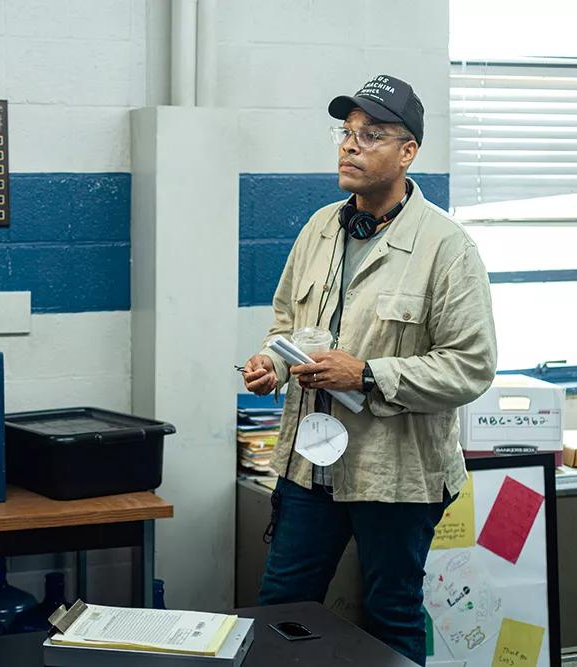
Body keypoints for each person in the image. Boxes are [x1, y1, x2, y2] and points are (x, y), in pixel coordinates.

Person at [241, 74, 498, 665]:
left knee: (391, 613)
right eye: (347, 132)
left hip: (398, 473)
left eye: (372, 134)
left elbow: (471, 367)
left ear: (408, 152)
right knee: (279, 608)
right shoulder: (320, 229)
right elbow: (287, 322)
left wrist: (367, 375)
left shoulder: (447, 247)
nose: (350, 146)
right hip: (310, 468)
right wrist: (272, 363)